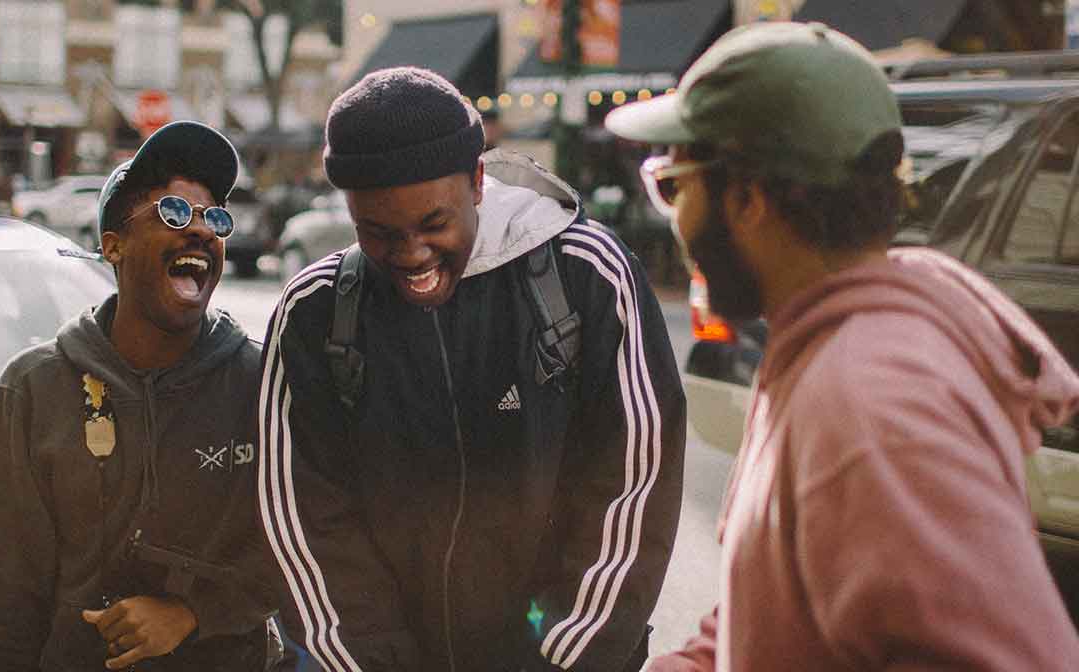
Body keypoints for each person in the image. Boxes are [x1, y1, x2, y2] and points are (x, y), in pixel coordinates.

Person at [605, 21, 1079, 671]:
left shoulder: (868, 404)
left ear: (748, 198)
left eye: (674, 186)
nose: (678, 223)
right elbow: (791, 594)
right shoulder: (832, 354)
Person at [258, 67, 686, 672]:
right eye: (377, 232)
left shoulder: (587, 274)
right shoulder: (314, 311)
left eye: (434, 224)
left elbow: (633, 488)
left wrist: (563, 660)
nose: (411, 255)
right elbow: (304, 523)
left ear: (478, 182)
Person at [0, 121, 278, 671]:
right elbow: (4, 600)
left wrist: (192, 613)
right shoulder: (33, 390)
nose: (202, 232)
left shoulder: (261, 381)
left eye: (215, 218)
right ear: (114, 246)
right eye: (175, 214)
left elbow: (305, 551)